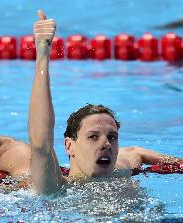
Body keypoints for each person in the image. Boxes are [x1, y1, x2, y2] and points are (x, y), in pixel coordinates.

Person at [29, 10, 183, 194]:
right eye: (93, 137)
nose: (106, 144)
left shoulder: (121, 169)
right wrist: (42, 56)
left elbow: (136, 152)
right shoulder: (57, 187)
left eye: (112, 137)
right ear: (69, 146)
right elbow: (40, 142)